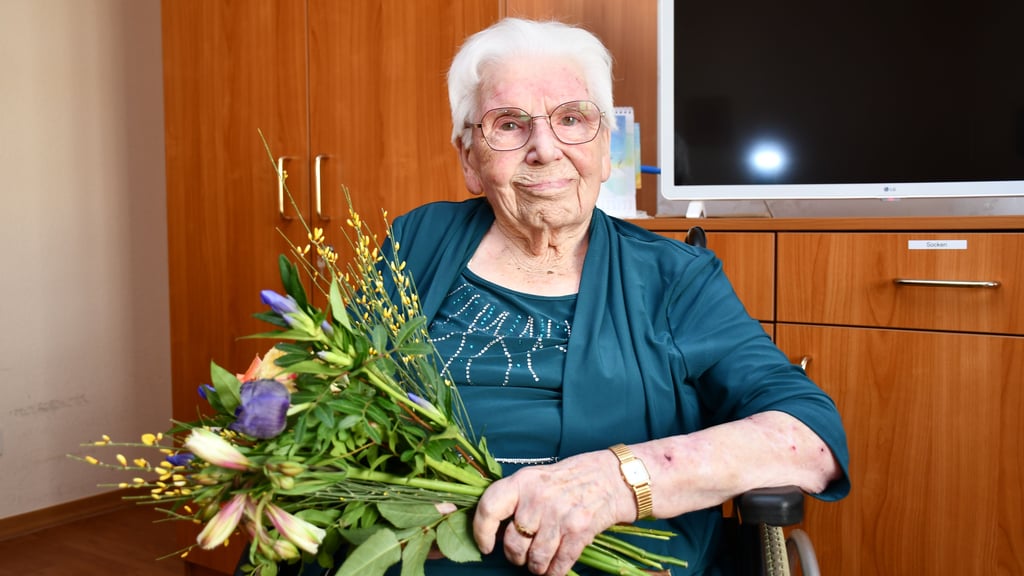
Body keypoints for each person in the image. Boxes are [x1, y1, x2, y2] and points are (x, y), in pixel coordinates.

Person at [249, 17, 849, 576]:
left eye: (571, 118)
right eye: (509, 124)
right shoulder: (419, 239)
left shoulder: (675, 279)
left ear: (604, 147)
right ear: (470, 159)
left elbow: (811, 437)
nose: (545, 147)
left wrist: (616, 482)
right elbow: (339, 389)